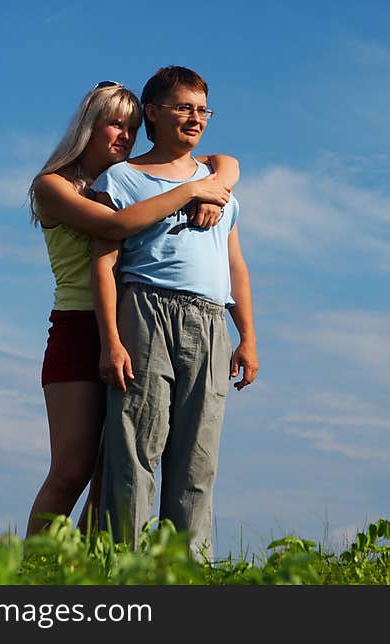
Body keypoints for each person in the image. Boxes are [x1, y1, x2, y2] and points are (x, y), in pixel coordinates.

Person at [25, 80, 240, 538]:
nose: (124, 136)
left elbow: (225, 162)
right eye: (113, 125)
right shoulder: (53, 187)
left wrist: (216, 182)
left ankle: (85, 572)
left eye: (131, 128)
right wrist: (191, 192)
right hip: (80, 329)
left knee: (115, 469)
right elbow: (118, 226)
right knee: (74, 466)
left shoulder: (133, 183)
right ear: (88, 127)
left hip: (132, 326)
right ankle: (31, 570)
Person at [91, 66, 258, 559]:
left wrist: (247, 335)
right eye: (184, 107)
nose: (196, 118)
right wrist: (111, 341)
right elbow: (104, 263)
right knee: (135, 449)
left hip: (209, 321)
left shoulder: (218, 183)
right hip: (145, 311)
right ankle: (124, 567)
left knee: (198, 459)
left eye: (203, 109)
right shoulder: (121, 178)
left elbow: (236, 264)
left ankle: (189, 569)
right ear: (154, 112)